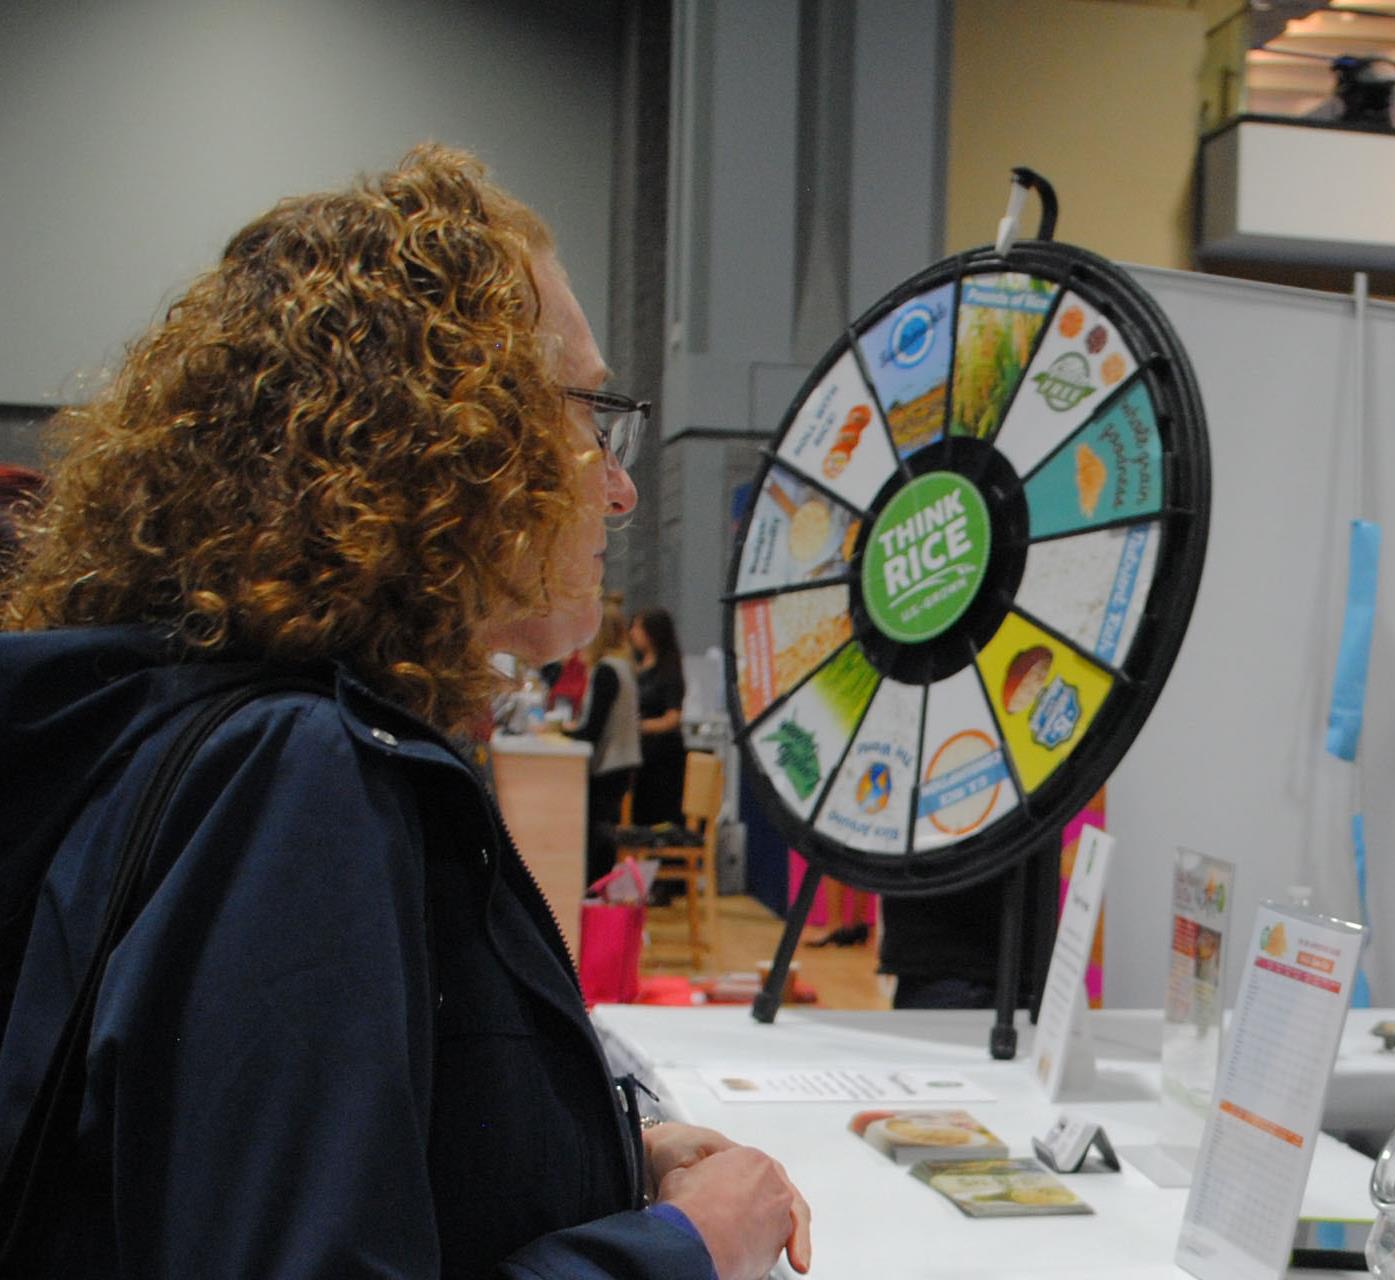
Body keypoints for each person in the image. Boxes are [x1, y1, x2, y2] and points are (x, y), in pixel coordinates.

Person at [0, 146, 809, 1280]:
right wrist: (685, 1246)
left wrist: (603, 1154)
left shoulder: (212, 732)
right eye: (590, 412)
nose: (620, 485)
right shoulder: (297, 778)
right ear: (450, 437)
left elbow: (337, 1157)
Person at [568, 599, 642, 885]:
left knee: (596, 837)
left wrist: (564, 733)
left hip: (609, 764)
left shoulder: (606, 670)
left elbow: (593, 729)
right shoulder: (624, 666)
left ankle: (594, 896)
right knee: (603, 835)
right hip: (623, 763)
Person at [628, 606, 688, 825]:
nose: (632, 632)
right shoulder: (636, 666)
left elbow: (673, 718)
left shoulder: (669, 671)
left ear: (652, 633)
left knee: (658, 815)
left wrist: (639, 726)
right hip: (641, 755)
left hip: (663, 757)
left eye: (638, 627)